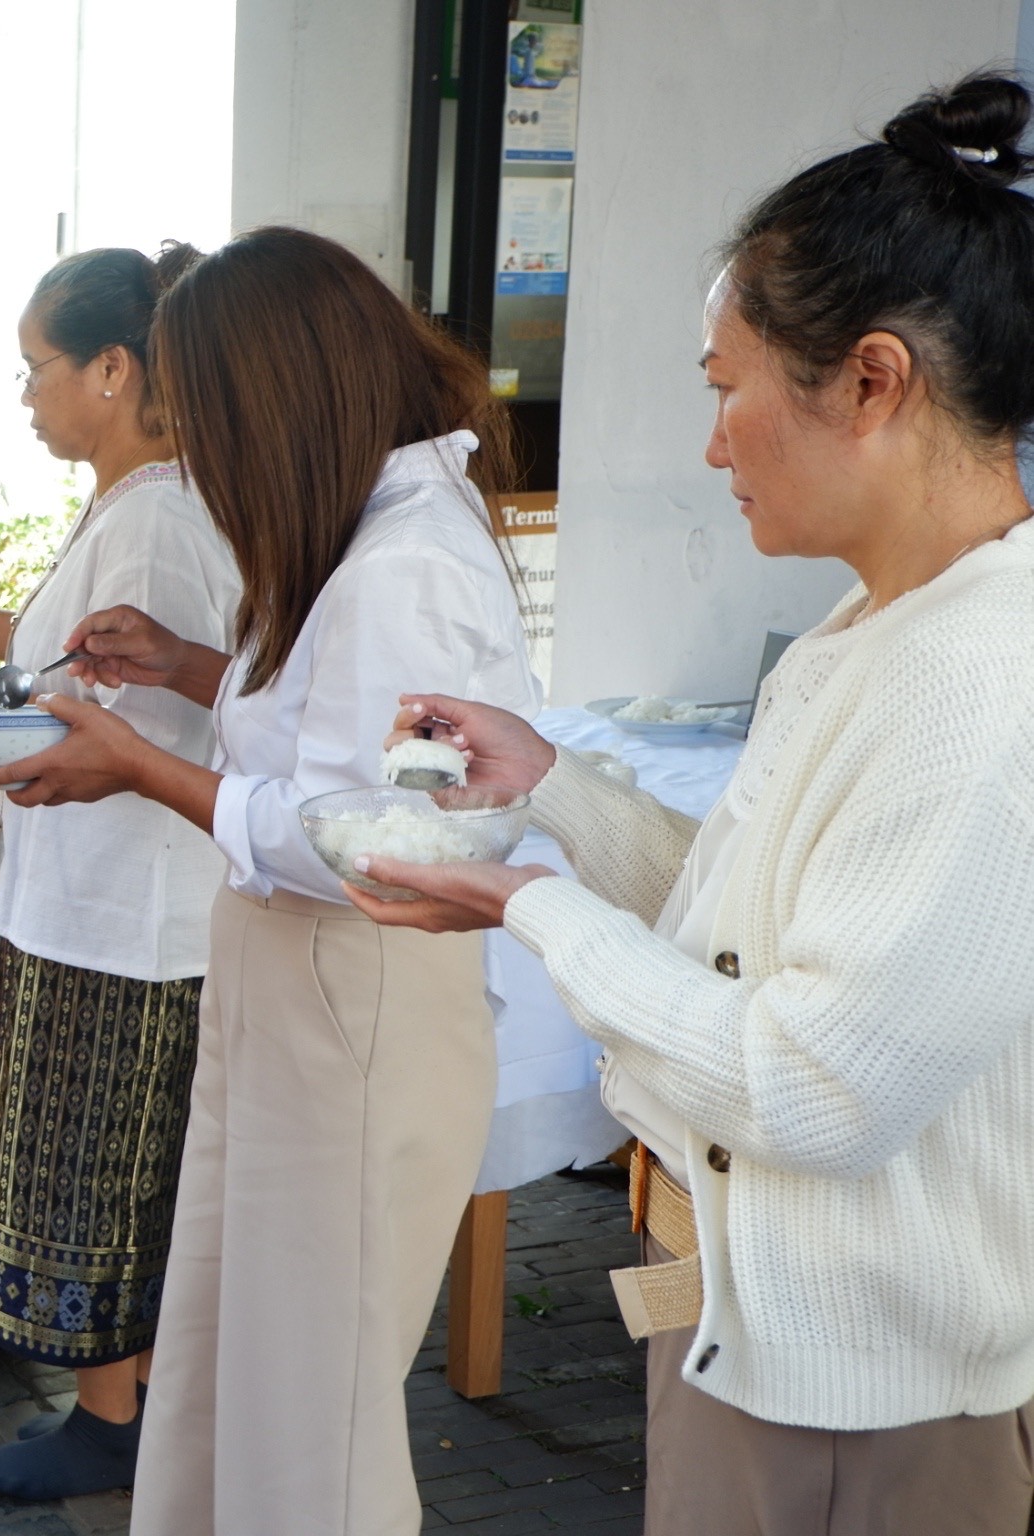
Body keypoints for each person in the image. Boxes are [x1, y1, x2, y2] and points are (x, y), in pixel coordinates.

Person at [357, 74, 1034, 1536]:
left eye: (726, 386)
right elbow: (748, 932)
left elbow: (818, 1088)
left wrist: (526, 903)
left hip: (863, 1399)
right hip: (749, 1319)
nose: (713, 442)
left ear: (872, 381)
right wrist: (553, 790)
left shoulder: (984, 679)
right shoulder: (880, 626)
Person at [0, 226, 538, 1533]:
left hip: (348, 998)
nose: (202, 456)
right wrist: (187, 668)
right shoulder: (376, 531)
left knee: (310, 1418)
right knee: (237, 1366)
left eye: (207, 419)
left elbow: (377, 838)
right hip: (298, 992)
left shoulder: (405, 557)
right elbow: (341, 733)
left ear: (275, 402)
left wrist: (141, 767)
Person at [0, 244, 238, 1499]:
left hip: (128, 910)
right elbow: (83, 667)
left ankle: (114, 1423)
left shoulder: (162, 519)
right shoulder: (139, 504)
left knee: (98, 1185)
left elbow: (125, 720)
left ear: (114, 369)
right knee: (101, 1178)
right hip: (103, 902)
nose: (23, 395)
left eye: (37, 368)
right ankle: (124, 1415)